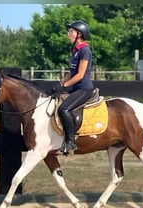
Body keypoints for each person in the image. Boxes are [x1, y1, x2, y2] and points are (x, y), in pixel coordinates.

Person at [57, 20, 94, 155]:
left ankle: (70, 142)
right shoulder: (75, 51)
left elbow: (80, 75)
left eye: (71, 32)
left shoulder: (85, 51)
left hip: (84, 89)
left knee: (64, 109)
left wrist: (65, 85)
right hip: (75, 88)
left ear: (79, 34)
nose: (69, 34)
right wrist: (61, 84)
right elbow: (71, 72)